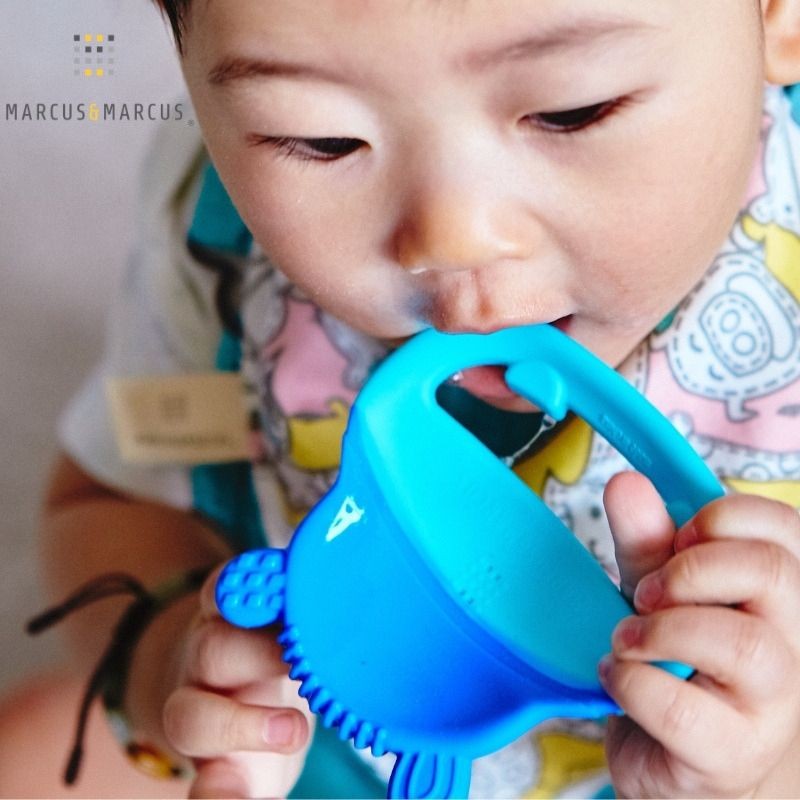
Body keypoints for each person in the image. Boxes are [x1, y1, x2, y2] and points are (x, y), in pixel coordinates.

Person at [3, 0, 800, 797]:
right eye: (321, 140)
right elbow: (102, 507)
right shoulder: (220, 241)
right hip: (316, 735)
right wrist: (177, 664)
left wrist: (763, 768)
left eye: (572, 111)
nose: (452, 238)